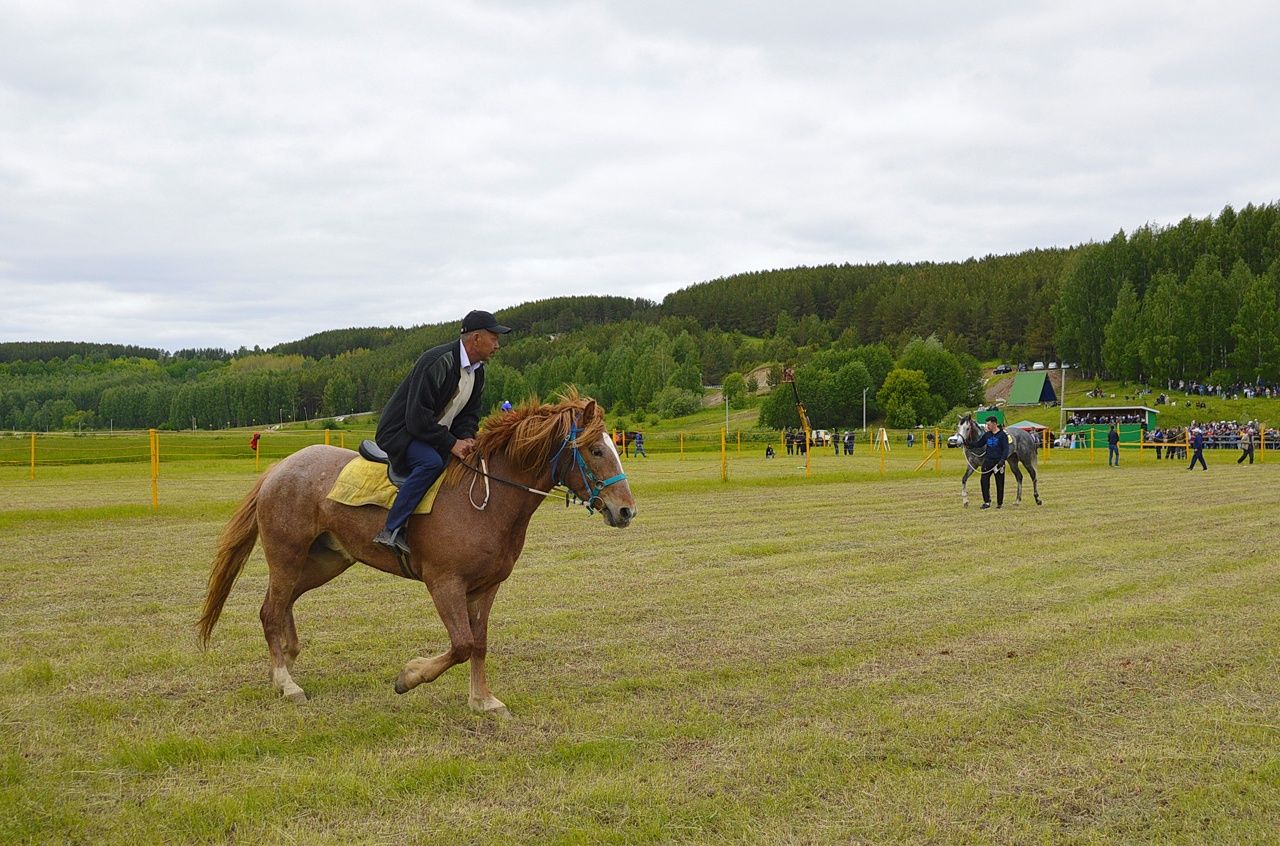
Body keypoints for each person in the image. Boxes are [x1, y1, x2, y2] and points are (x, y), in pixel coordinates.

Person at [372, 310, 511, 555]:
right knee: (430, 463)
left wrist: (467, 436)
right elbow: (416, 419)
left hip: (429, 434)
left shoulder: (477, 371)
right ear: (476, 338)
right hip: (402, 433)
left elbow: (469, 413)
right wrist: (451, 443)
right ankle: (391, 529)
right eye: (494, 338)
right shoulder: (437, 361)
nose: (497, 345)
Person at [979, 417, 1008, 509]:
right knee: (983, 480)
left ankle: (1000, 503)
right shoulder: (987, 435)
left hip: (998, 462)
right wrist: (967, 443)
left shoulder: (1002, 435)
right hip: (988, 462)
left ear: (994, 424)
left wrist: (1002, 461)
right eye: (987, 424)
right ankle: (986, 501)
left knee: (999, 483)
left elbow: (1005, 449)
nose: (987, 426)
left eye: (989, 424)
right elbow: (979, 443)